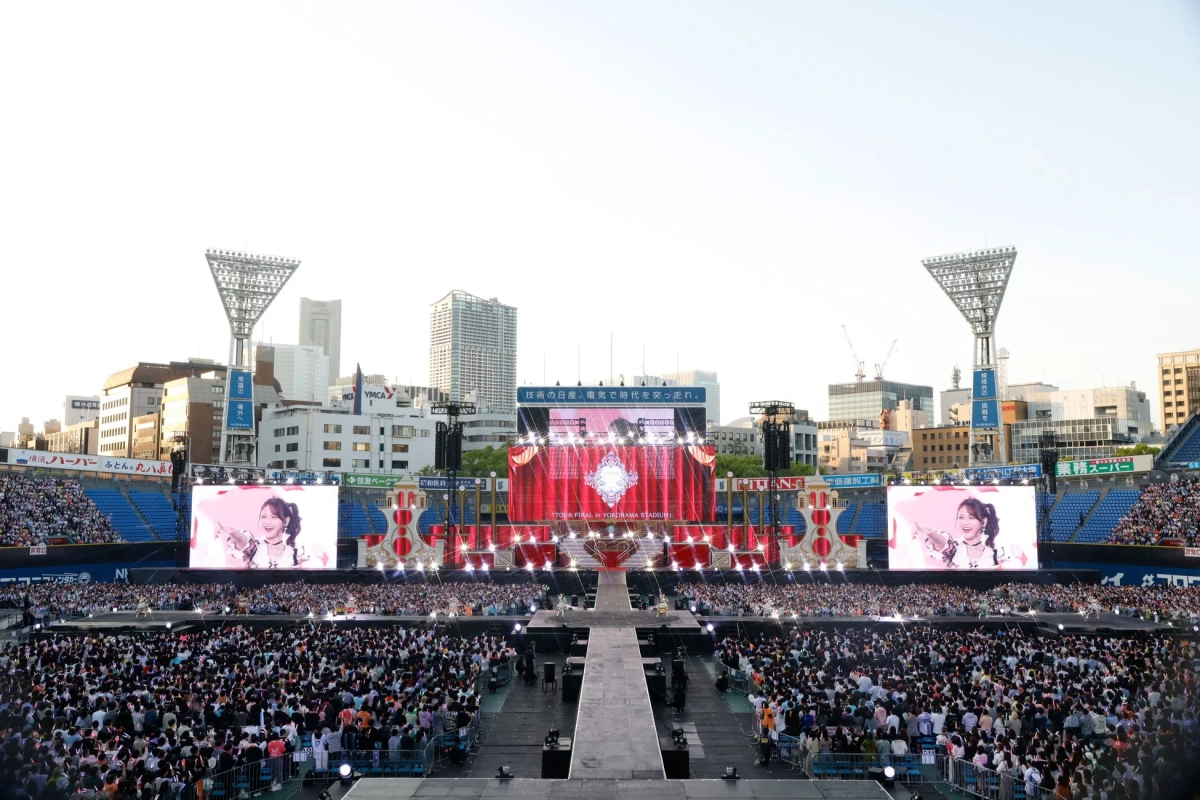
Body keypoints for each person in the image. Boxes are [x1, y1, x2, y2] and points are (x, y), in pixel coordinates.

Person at [215, 496, 324, 569]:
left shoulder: (296, 554)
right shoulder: (255, 548)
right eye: (264, 516)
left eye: (274, 517)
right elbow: (242, 541)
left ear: (286, 521)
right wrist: (233, 533)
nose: (267, 522)